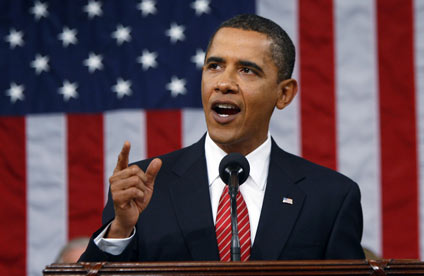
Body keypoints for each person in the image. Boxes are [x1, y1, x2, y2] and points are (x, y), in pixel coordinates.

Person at [79, 14, 365, 262]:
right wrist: (120, 231)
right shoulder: (143, 188)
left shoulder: (331, 198)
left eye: (246, 70)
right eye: (214, 66)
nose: (224, 83)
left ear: (284, 93)